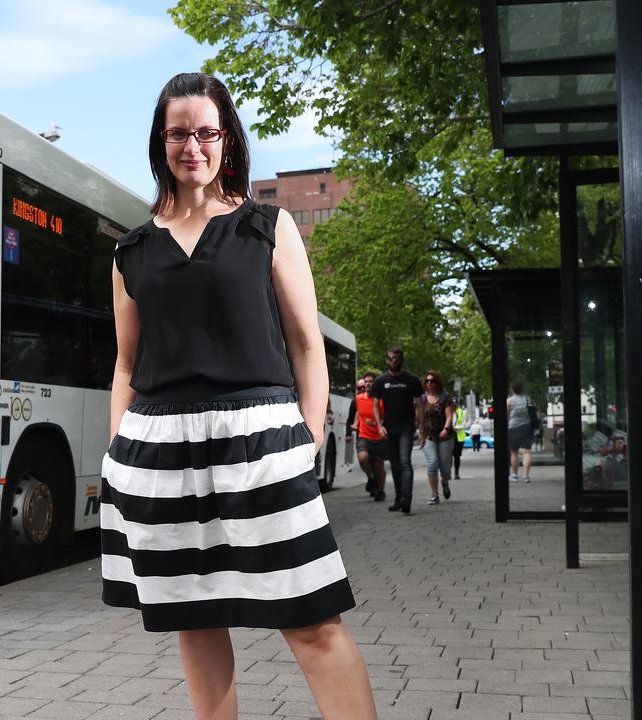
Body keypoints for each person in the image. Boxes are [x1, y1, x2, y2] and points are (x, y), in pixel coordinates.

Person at [101, 72, 375, 720]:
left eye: (204, 131)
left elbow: (307, 345)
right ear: (160, 142)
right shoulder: (131, 251)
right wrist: (116, 457)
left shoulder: (266, 226)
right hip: (157, 454)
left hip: (261, 443)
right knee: (194, 623)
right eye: (178, 133)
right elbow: (125, 365)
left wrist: (306, 444)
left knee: (313, 620)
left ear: (225, 139)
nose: (191, 145)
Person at [371, 347, 424, 515]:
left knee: (404, 461)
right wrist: (379, 425)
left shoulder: (412, 380)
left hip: (406, 426)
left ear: (402, 360)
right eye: (391, 358)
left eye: (397, 358)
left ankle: (406, 498)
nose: (394, 361)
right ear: (386, 360)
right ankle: (398, 497)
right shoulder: (380, 381)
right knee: (394, 464)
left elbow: (420, 405)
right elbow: (376, 406)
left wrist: (422, 429)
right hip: (389, 427)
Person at [348, 371, 387, 501]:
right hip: (364, 435)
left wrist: (379, 423)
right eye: (366, 382)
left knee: (378, 465)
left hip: (379, 436)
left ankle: (380, 491)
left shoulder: (382, 399)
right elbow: (355, 414)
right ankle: (371, 477)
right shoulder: (358, 399)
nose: (368, 384)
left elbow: (387, 417)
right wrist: (353, 425)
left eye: (371, 381)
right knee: (363, 457)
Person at [419, 371, 456, 505]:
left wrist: (446, 429)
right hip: (429, 436)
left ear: (437, 382)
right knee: (432, 463)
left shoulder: (445, 397)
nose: (429, 383)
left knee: (445, 467)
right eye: (427, 381)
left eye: (432, 380)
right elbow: (418, 417)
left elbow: (449, 416)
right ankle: (434, 495)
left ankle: (445, 482)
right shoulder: (422, 399)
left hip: (445, 436)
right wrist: (418, 432)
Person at [507, 382, 534, 482]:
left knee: (514, 452)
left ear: (512, 389)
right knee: (526, 452)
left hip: (513, 427)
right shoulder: (527, 399)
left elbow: (506, 415)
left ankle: (514, 475)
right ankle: (526, 476)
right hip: (527, 426)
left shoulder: (509, 401)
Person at [452, 404, 466, 479]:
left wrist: (454, 428)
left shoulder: (461, 412)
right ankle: (447, 473)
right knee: (447, 456)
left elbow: (464, 424)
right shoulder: (446, 410)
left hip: (458, 437)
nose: (453, 407)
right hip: (448, 436)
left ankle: (456, 473)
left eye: (454, 406)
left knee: (457, 456)